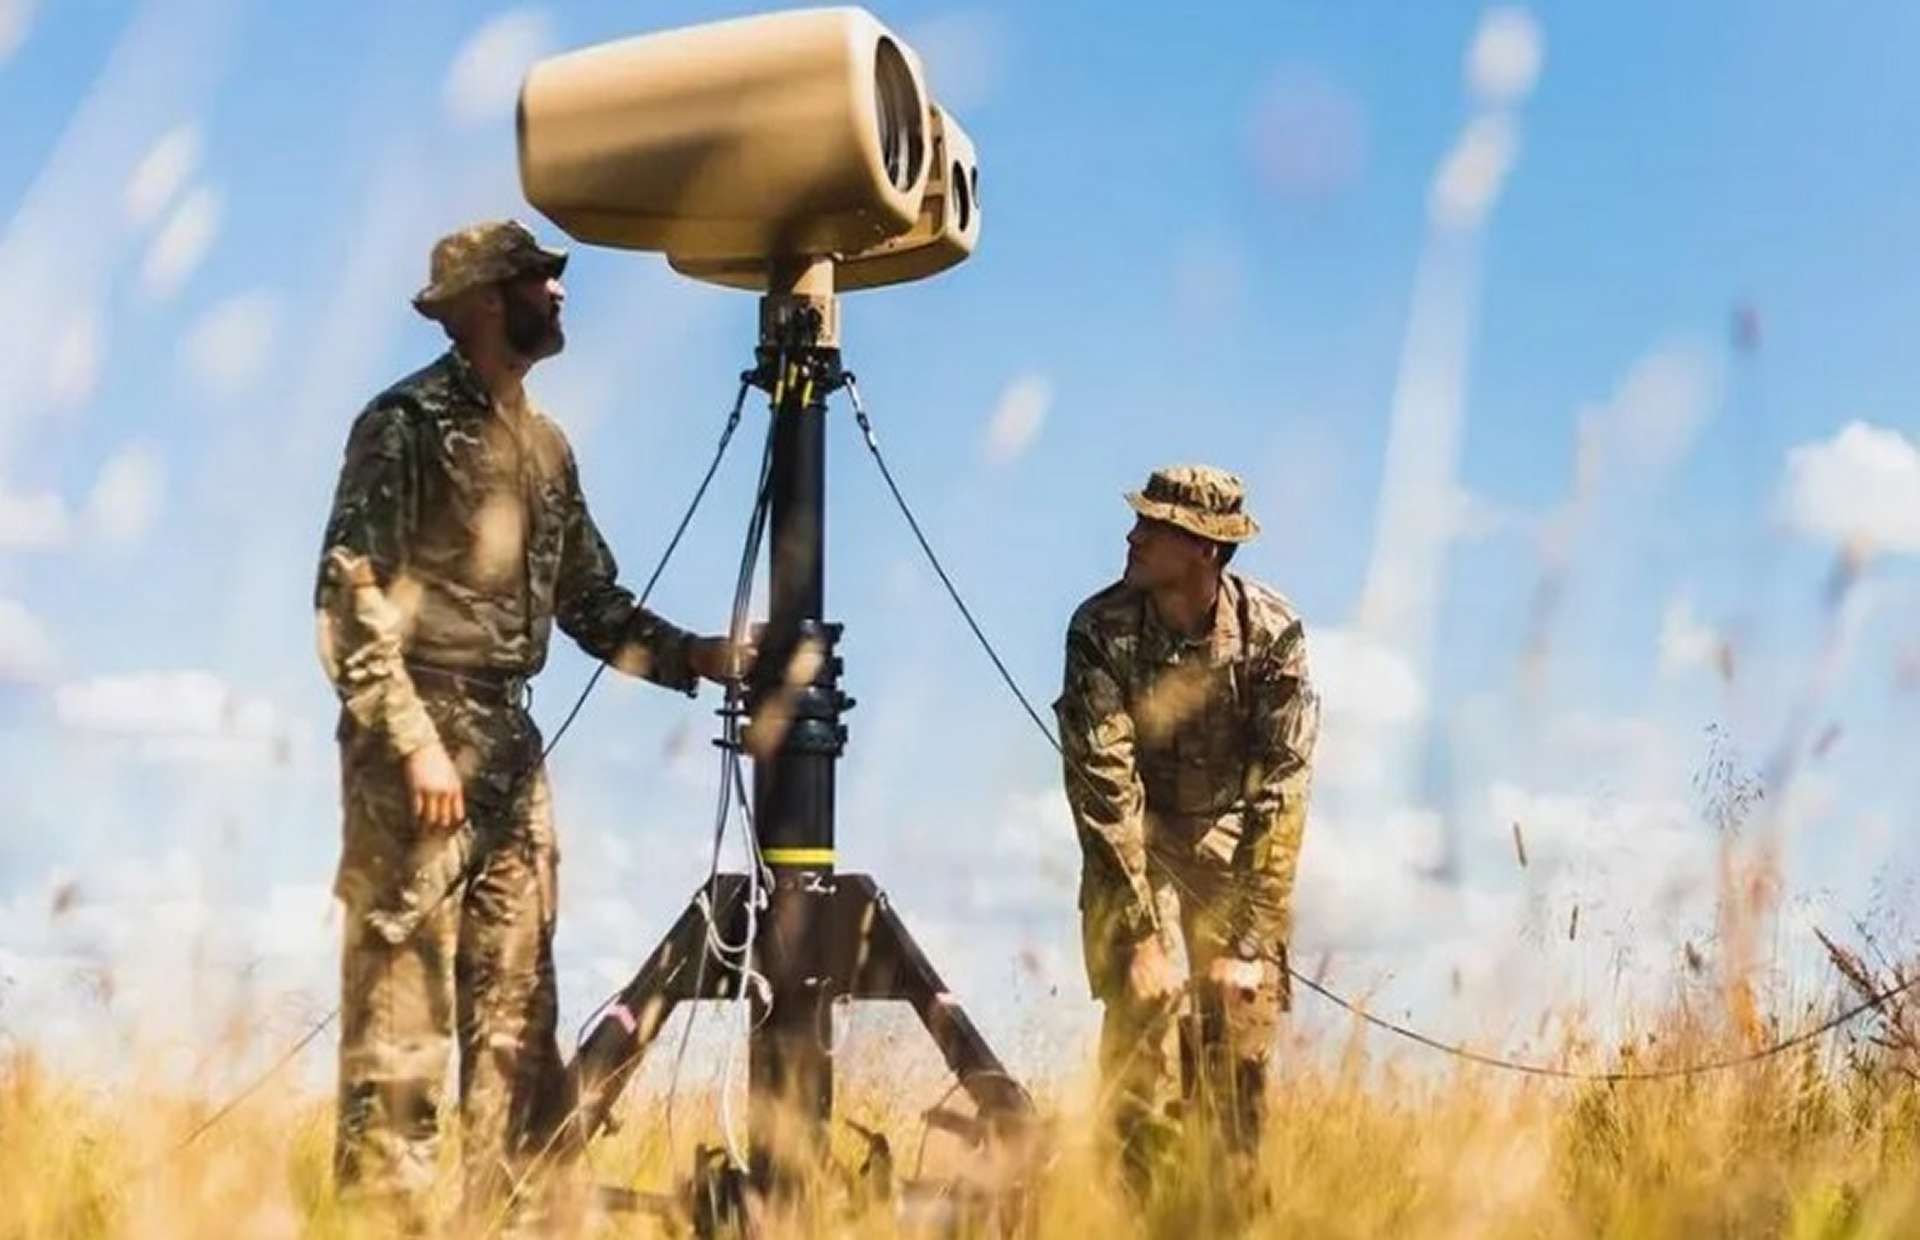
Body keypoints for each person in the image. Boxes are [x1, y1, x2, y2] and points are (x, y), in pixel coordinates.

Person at [314, 219, 745, 1226]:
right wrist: (414, 739)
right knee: (401, 1029)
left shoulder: (546, 446)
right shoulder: (405, 423)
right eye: (532, 279)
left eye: (554, 279)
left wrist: (694, 657)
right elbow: (351, 595)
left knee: (517, 1025)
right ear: (473, 302)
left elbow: (590, 601)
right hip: (414, 741)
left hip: (512, 747)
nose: (556, 293)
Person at [1054, 464, 1320, 1202]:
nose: (1132, 535)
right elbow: (1103, 787)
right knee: (1139, 1066)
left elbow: (1283, 785)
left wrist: (1250, 942)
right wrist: (1141, 934)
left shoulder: (1274, 633)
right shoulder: (1099, 629)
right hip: (1133, 856)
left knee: (1237, 1068)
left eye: (1154, 526)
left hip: (1235, 864)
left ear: (1204, 548)